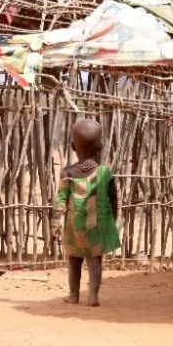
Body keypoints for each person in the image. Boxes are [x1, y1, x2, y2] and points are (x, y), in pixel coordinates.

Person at [51, 119, 120, 306]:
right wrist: (112, 220)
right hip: (97, 224)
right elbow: (113, 199)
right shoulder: (105, 172)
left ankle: (74, 296)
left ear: (73, 146)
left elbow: (61, 200)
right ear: (100, 146)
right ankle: (93, 296)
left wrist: (55, 222)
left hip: (75, 226)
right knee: (95, 260)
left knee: (74, 260)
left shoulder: (69, 172)